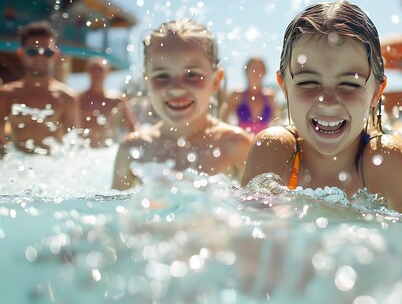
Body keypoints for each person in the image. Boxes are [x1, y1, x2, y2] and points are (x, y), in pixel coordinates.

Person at [241, 1, 402, 217]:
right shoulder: (272, 150)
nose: (328, 101)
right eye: (308, 82)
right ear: (284, 87)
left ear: (376, 93)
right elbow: (248, 241)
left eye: (350, 84)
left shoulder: (385, 160)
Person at [112, 19, 253, 190]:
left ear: (216, 81)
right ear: (146, 81)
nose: (177, 88)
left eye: (192, 74)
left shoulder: (235, 145)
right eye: (162, 75)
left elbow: (261, 212)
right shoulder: (132, 149)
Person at [0, 21, 79, 156]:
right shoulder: (6, 95)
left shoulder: (66, 98)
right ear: (21, 53)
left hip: (51, 169)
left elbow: (74, 148)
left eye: (47, 52)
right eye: (32, 52)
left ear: (56, 54)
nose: (40, 57)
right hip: (16, 168)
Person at [77, 56, 138, 147]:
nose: (96, 72)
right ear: (87, 71)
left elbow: (132, 127)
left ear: (107, 72)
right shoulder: (78, 100)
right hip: (84, 151)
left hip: (108, 151)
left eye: (100, 69)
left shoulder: (117, 100)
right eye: (93, 68)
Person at [220, 56, 280, 134]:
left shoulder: (270, 96)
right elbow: (223, 120)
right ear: (246, 71)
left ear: (264, 72)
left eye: (260, 69)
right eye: (253, 68)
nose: (256, 72)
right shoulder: (237, 95)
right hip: (241, 143)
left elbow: (277, 122)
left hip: (264, 142)